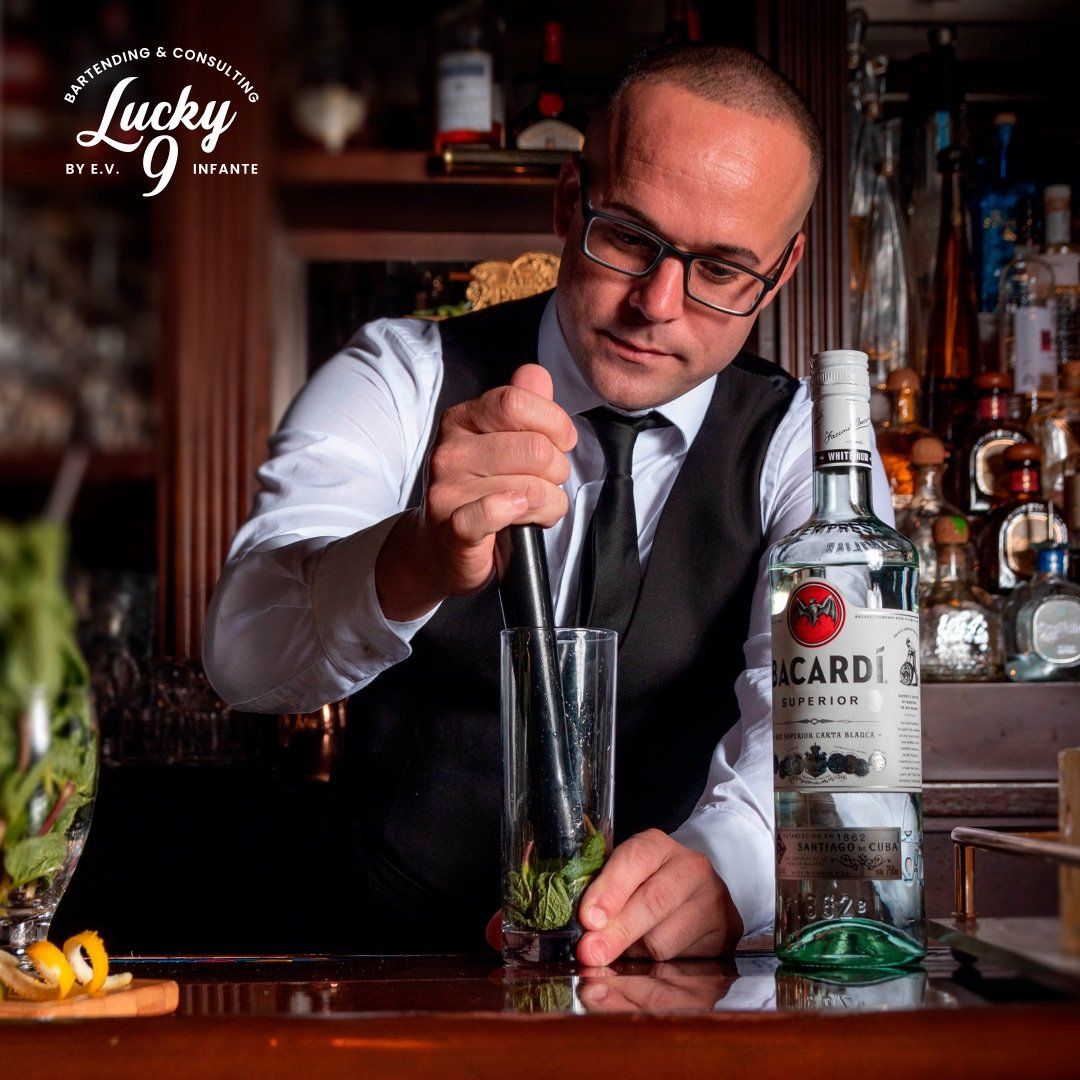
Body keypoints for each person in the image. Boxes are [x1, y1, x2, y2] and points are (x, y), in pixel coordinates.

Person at [204, 43, 891, 963]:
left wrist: (729, 867)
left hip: (668, 1001)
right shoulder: (398, 376)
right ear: (569, 203)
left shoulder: (809, 452)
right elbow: (242, 656)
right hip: (386, 982)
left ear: (786, 266)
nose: (659, 303)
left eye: (723, 272)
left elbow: (847, 746)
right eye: (631, 239)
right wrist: (413, 559)